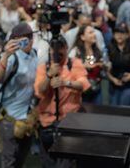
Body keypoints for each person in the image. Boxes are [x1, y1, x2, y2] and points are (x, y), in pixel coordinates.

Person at [35, 36, 90, 167]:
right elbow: (39, 91)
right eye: (53, 50)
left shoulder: (74, 63)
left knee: (66, 163)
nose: (56, 53)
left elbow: (84, 84)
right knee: (47, 162)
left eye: (60, 49)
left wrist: (66, 83)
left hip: (69, 122)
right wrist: (49, 76)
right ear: (49, 51)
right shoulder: (44, 67)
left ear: (66, 49)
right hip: (47, 122)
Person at [0, 23, 38, 168]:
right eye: (21, 39)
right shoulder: (12, 57)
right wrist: (5, 55)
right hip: (10, 118)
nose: (27, 42)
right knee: (9, 161)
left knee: (21, 158)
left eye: (29, 38)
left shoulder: (34, 54)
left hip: (28, 117)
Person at [70, 25, 105, 105]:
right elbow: (68, 69)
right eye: (90, 32)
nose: (94, 34)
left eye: (94, 32)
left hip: (96, 88)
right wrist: (83, 66)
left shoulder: (96, 50)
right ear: (82, 37)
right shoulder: (75, 51)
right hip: (81, 91)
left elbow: (92, 65)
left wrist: (103, 66)